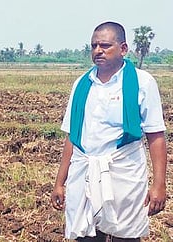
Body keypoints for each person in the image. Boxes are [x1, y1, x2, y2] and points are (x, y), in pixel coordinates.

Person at [51, 21, 167, 241]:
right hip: (84, 171)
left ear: (123, 49)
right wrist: (59, 182)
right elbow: (73, 136)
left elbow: (156, 136)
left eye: (104, 45)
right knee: (86, 233)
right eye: (93, 46)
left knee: (125, 235)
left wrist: (159, 184)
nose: (97, 51)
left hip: (124, 173)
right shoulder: (82, 84)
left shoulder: (143, 83)